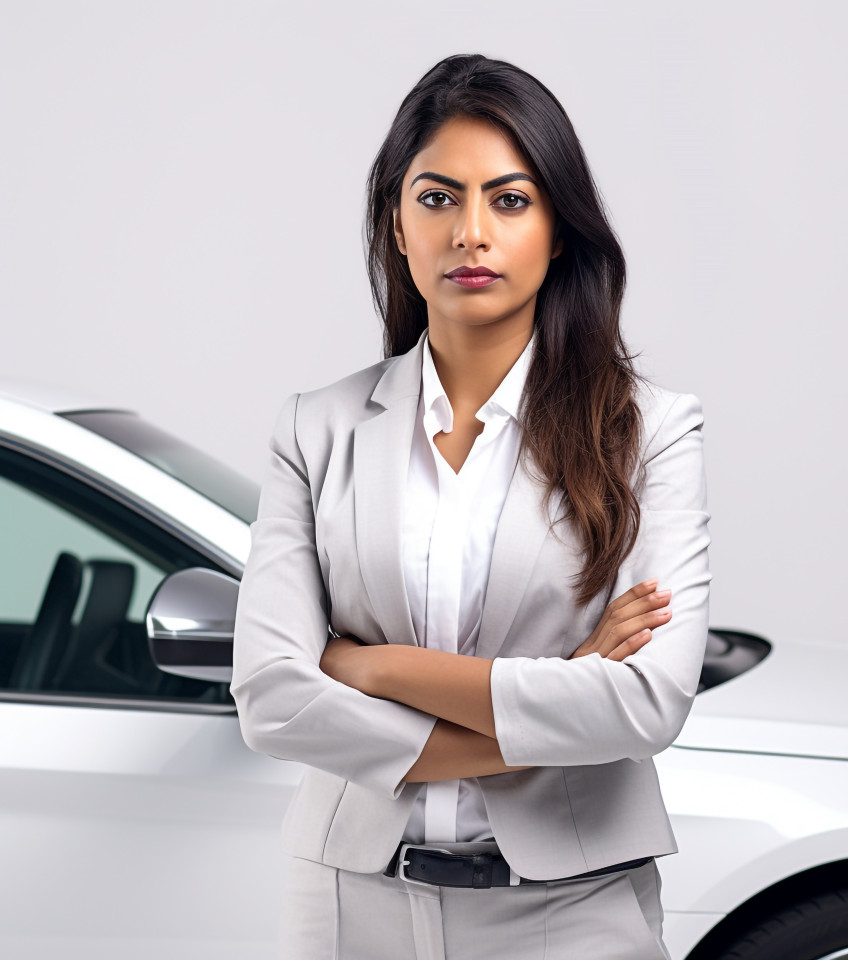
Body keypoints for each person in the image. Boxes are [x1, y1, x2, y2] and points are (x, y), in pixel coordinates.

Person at [230, 52, 711, 960]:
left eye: (511, 199)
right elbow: (272, 699)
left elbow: (644, 704)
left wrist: (375, 670)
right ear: (397, 226)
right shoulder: (316, 428)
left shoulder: (651, 431)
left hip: (573, 912)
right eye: (439, 198)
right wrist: (552, 703)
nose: (471, 233)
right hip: (347, 904)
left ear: (560, 228)